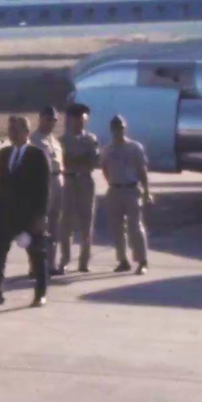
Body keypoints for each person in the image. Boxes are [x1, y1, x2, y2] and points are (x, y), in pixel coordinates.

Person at [0, 115, 51, 308]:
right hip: (4, 216)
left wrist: (40, 216)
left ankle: (40, 293)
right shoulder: (3, 154)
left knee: (37, 256)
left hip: (28, 216)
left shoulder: (37, 155)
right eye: (10, 130)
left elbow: (44, 189)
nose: (11, 133)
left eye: (15, 130)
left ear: (26, 133)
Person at [101, 115, 152, 275]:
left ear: (125, 128)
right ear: (112, 130)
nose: (119, 131)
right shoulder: (108, 150)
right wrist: (112, 182)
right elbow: (105, 168)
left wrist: (146, 191)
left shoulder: (135, 148)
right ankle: (122, 260)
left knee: (136, 227)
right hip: (115, 189)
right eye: (116, 128)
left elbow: (142, 170)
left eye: (121, 128)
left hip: (132, 190)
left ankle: (142, 260)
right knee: (117, 228)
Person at [59, 103, 100, 272]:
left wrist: (75, 160)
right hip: (68, 182)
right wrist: (79, 160)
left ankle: (84, 261)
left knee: (86, 222)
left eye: (83, 120)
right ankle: (65, 259)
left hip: (85, 181)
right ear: (70, 121)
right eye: (77, 120)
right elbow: (64, 162)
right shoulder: (61, 141)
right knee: (66, 223)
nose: (80, 123)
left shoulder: (91, 139)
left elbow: (94, 161)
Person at [30, 106, 65, 278]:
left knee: (54, 226)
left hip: (57, 181)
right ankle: (35, 265)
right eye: (48, 119)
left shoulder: (54, 140)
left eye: (54, 120)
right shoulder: (34, 140)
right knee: (39, 226)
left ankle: (50, 264)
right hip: (42, 182)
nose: (51, 123)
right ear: (41, 118)